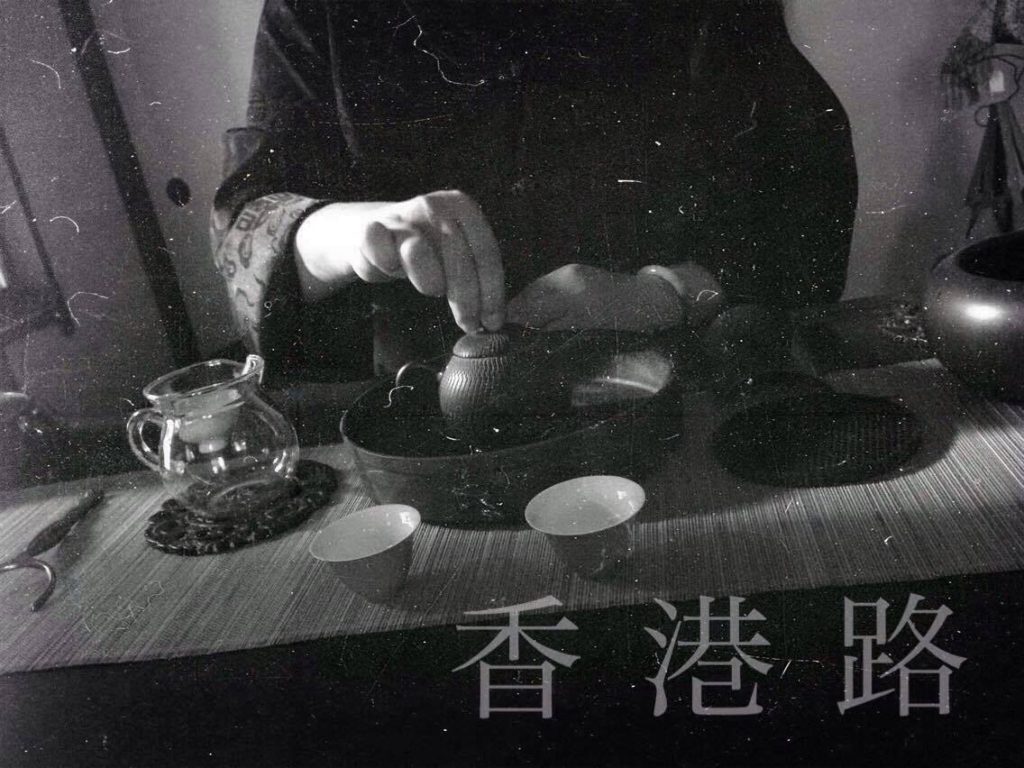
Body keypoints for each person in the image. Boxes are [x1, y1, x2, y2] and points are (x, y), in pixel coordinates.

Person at [212, 0, 856, 382]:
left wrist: (664, 290)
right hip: (429, 411)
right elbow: (251, 217)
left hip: (680, 384)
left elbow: (808, 193)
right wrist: (356, 233)